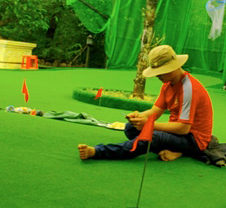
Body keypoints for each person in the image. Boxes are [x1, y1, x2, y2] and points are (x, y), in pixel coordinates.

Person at [78, 45, 213, 162]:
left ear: (171, 68)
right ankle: (176, 150)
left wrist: (149, 125)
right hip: (177, 135)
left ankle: (98, 151)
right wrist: (139, 117)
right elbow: (155, 112)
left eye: (160, 72)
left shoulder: (189, 89)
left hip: (193, 139)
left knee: (153, 137)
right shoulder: (168, 85)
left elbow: (183, 128)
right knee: (130, 128)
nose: (157, 76)